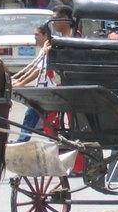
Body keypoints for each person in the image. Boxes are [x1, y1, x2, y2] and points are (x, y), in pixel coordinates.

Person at [14, 9, 75, 140]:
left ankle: (27, 141)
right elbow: (37, 68)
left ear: (64, 18)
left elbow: (40, 70)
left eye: (54, 18)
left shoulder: (72, 40)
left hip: (60, 90)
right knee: (35, 115)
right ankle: (25, 141)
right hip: (52, 89)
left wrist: (21, 83)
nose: (52, 23)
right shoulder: (53, 43)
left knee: (40, 116)